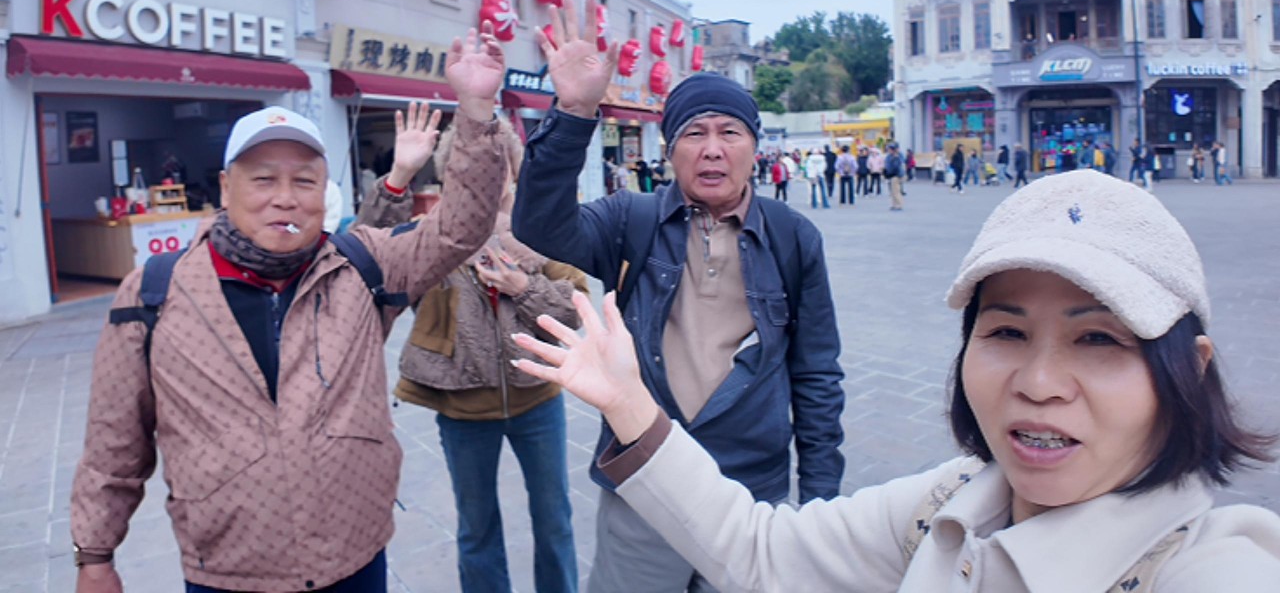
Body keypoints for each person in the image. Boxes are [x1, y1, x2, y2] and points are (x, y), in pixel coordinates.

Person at [512, 169, 1280, 592]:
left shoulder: (1209, 570)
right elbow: (761, 552)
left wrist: (817, 468)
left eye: (1101, 340)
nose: (1041, 381)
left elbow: (817, 364)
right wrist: (628, 404)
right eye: (1006, 331)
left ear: (1190, 367)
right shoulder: (950, 502)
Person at [70, 26, 509, 593]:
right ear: (226, 187)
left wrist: (474, 110)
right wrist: (95, 555)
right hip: (227, 571)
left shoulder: (362, 265)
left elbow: (459, 231)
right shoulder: (153, 293)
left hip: (354, 555)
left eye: (305, 180)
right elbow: (113, 443)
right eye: (263, 179)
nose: (285, 196)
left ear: (325, 189)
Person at [513, 0, 845, 593]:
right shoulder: (628, 219)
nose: (712, 147)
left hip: (750, 490)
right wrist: (574, 112)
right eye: (693, 132)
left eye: (730, 132)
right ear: (670, 149)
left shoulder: (795, 238)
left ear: (754, 147)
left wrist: (819, 500)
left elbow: (816, 373)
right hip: (643, 480)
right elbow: (540, 226)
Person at [358, 122, 583, 593]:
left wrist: (524, 287)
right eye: (471, 169)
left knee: (556, 521)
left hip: (537, 399)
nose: (486, 178)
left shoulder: (539, 230)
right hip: (461, 407)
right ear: (451, 174)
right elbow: (367, 261)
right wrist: (399, 174)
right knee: (476, 529)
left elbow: (576, 305)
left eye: (495, 165)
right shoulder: (430, 233)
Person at [883, 143, 905, 211]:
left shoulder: (898, 156)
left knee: (896, 190)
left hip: (896, 175)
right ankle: (894, 204)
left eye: (890, 149)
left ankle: (899, 204)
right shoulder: (888, 156)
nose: (888, 150)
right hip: (890, 175)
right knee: (892, 191)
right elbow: (886, 164)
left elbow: (898, 165)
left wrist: (895, 157)